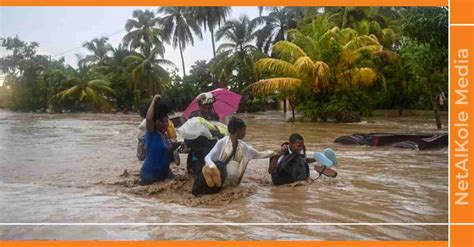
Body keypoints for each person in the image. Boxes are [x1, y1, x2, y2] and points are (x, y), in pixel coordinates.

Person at [192, 117, 278, 196]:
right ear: (239, 130)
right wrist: (212, 167)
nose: (245, 133)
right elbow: (207, 157)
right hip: (221, 183)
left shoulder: (244, 147)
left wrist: (274, 152)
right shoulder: (222, 142)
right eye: (244, 130)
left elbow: (259, 154)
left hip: (232, 186)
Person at [268, 133, 337, 186]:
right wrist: (276, 156)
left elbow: (304, 160)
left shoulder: (299, 150)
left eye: (302, 146)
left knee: (298, 158)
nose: (300, 148)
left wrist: (315, 159)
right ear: (290, 144)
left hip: (294, 176)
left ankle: (321, 166)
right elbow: (271, 171)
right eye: (298, 146)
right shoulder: (281, 151)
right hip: (281, 178)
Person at [185, 92, 223, 175]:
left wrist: (217, 132)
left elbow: (221, 135)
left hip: (211, 151)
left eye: (209, 107)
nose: (207, 110)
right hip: (197, 153)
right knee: (202, 174)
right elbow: (187, 140)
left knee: (221, 170)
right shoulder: (194, 117)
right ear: (199, 106)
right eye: (204, 108)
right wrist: (200, 132)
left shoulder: (215, 116)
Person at [139, 95, 174, 185]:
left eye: (167, 122)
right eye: (163, 121)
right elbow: (149, 118)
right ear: (156, 122)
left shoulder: (165, 136)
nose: (165, 124)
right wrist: (154, 100)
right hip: (149, 176)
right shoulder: (151, 133)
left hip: (163, 176)